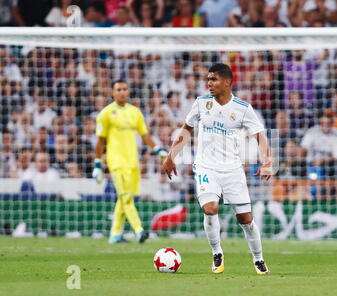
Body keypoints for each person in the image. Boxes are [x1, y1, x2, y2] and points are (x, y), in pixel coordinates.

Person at [161, 63, 273, 275]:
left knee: (246, 220)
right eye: (208, 79)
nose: (209, 83)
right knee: (210, 209)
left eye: (213, 79)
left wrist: (267, 162)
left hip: (232, 170)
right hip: (206, 167)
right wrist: (171, 156)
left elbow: (260, 135)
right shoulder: (201, 103)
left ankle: (258, 259)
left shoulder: (242, 108)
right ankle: (217, 253)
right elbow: (186, 129)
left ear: (228, 82)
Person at [93, 80, 168, 244]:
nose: (122, 92)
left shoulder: (135, 112)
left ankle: (114, 235)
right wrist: (98, 164)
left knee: (125, 198)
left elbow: (145, 135)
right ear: (112, 93)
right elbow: (100, 141)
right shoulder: (105, 113)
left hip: (133, 163)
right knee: (125, 196)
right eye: (118, 89)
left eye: (124, 89)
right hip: (116, 162)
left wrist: (158, 150)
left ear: (128, 92)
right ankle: (139, 230)